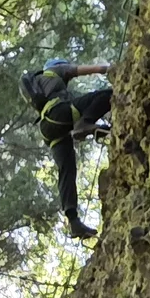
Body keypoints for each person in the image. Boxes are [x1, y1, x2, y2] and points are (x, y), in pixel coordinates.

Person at [21, 57, 112, 239]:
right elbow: (83, 69)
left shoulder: (43, 88)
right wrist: (108, 69)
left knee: (67, 170)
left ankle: (73, 221)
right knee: (107, 95)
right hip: (60, 113)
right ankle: (86, 124)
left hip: (49, 128)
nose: (68, 81)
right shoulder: (54, 71)